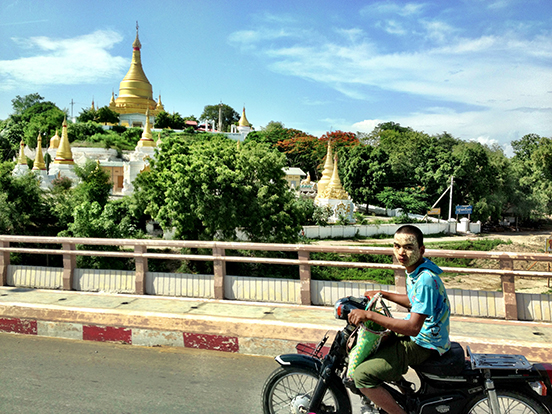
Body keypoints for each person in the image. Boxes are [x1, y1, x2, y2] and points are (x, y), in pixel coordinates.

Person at [348, 225, 451, 414]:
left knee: (362, 375)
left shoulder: (425, 279)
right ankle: (404, 390)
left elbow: (413, 328)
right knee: (383, 343)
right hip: (427, 337)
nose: (401, 252)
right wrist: (383, 294)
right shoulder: (418, 270)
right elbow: (416, 302)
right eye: (396, 246)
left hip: (425, 343)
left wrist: (371, 315)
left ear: (421, 250)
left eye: (408, 247)